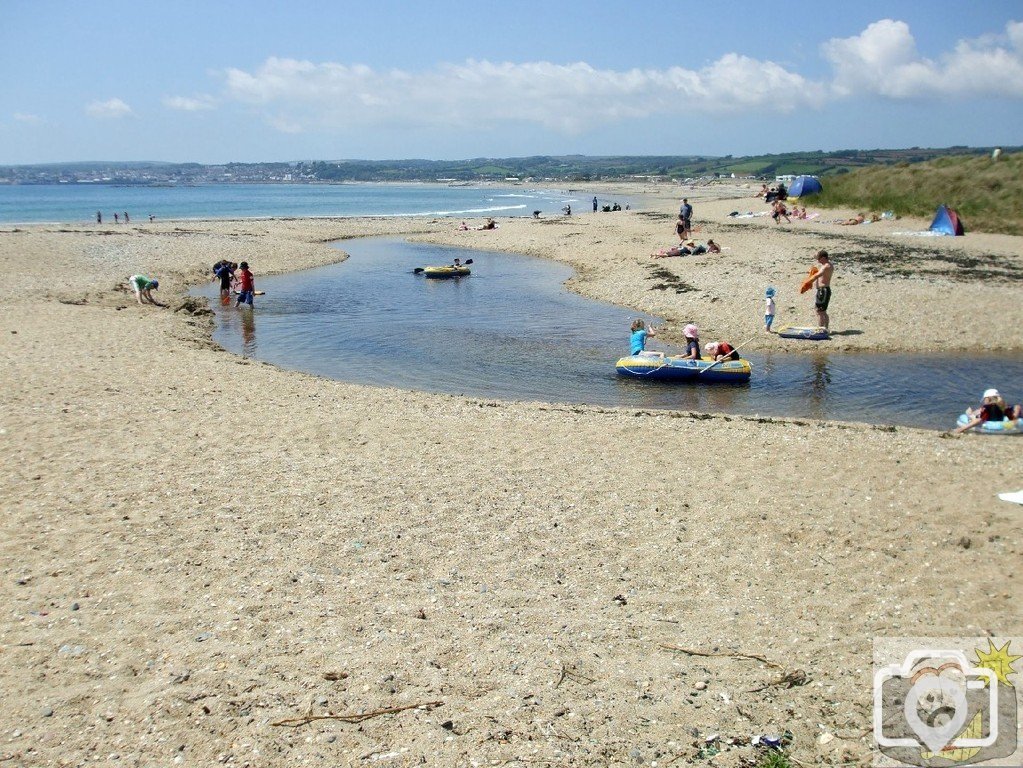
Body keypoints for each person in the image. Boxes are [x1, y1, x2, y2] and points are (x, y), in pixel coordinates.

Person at [955, 389, 1019, 433]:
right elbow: (1012, 418)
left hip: (989, 422)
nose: (984, 401)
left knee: (971, 414)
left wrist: (961, 429)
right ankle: (971, 413)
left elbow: (979, 420)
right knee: (1016, 407)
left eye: (985, 399)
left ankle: (970, 413)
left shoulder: (987, 408)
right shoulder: (1003, 406)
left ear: (988, 399)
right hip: (999, 421)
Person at [810, 250, 833, 329]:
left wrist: (808, 282)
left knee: (820, 311)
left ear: (823, 258)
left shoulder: (827, 266)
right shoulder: (824, 265)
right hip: (821, 290)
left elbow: (818, 275)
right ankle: (825, 328)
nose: (817, 260)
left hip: (824, 290)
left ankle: (821, 329)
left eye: (819, 259)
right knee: (822, 311)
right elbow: (815, 255)